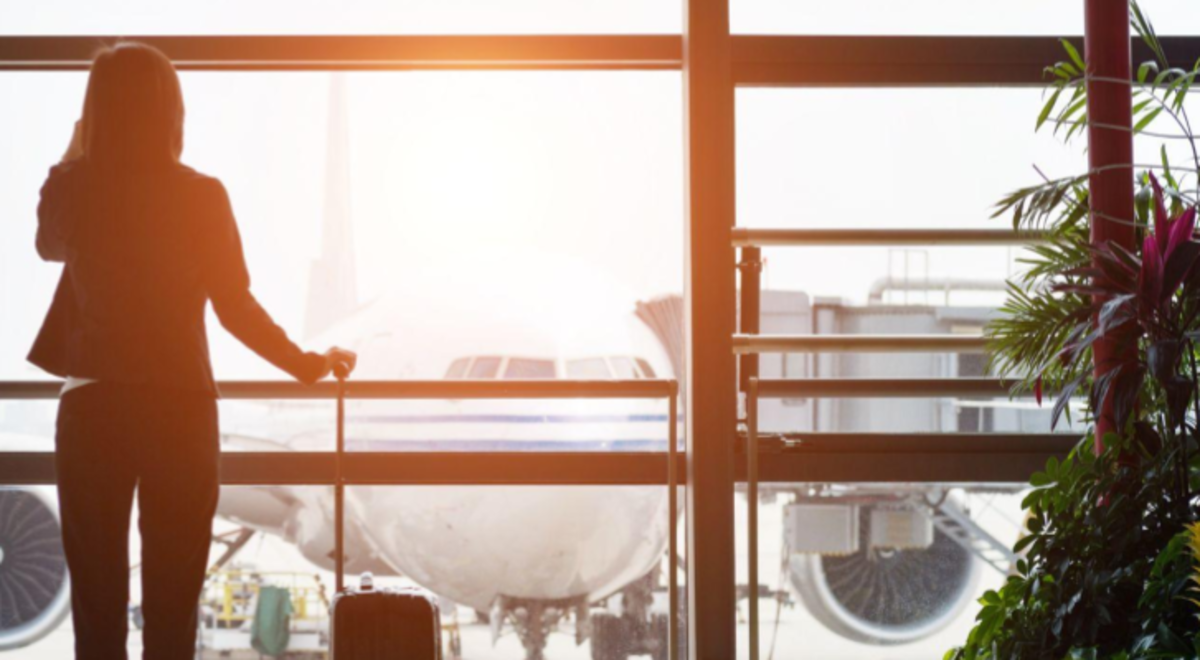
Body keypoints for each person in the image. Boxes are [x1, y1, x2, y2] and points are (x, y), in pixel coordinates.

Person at [27, 42, 357, 659]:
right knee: (174, 602)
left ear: (95, 110)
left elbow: (47, 243)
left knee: (97, 604)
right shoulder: (202, 195)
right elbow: (237, 309)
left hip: (93, 411)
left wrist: (75, 152)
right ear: (171, 110)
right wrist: (309, 366)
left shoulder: (77, 188)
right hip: (178, 411)